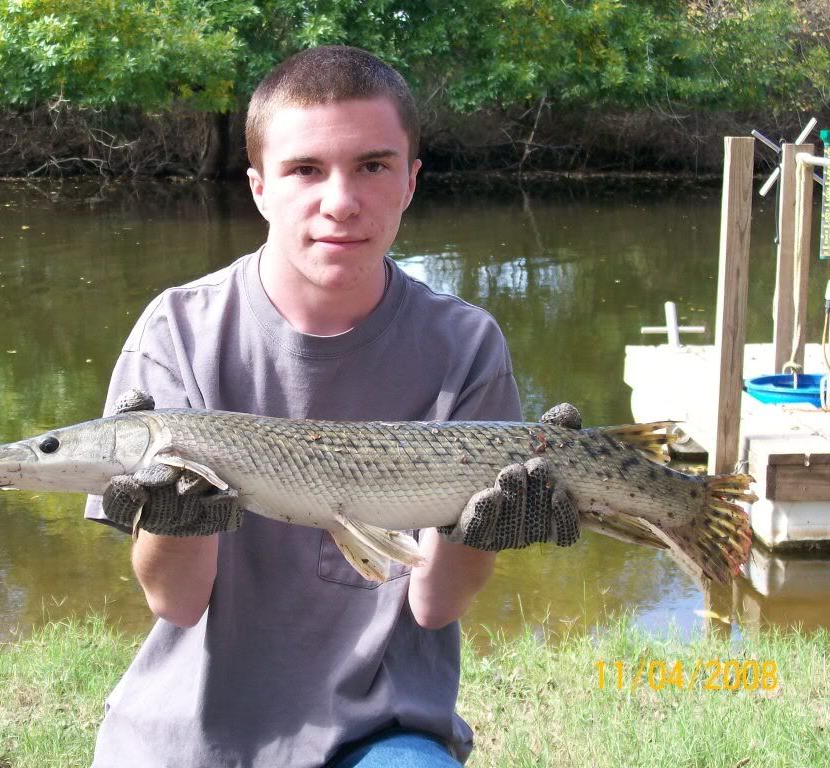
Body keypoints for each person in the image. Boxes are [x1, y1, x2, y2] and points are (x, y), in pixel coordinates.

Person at [85, 45, 579, 767]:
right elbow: (176, 603)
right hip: (189, 731)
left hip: (380, 732)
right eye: (305, 169)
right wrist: (173, 514)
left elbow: (433, 607)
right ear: (258, 187)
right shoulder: (177, 330)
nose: (341, 201)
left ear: (411, 181)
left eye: (373, 166)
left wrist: (482, 531)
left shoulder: (465, 342)